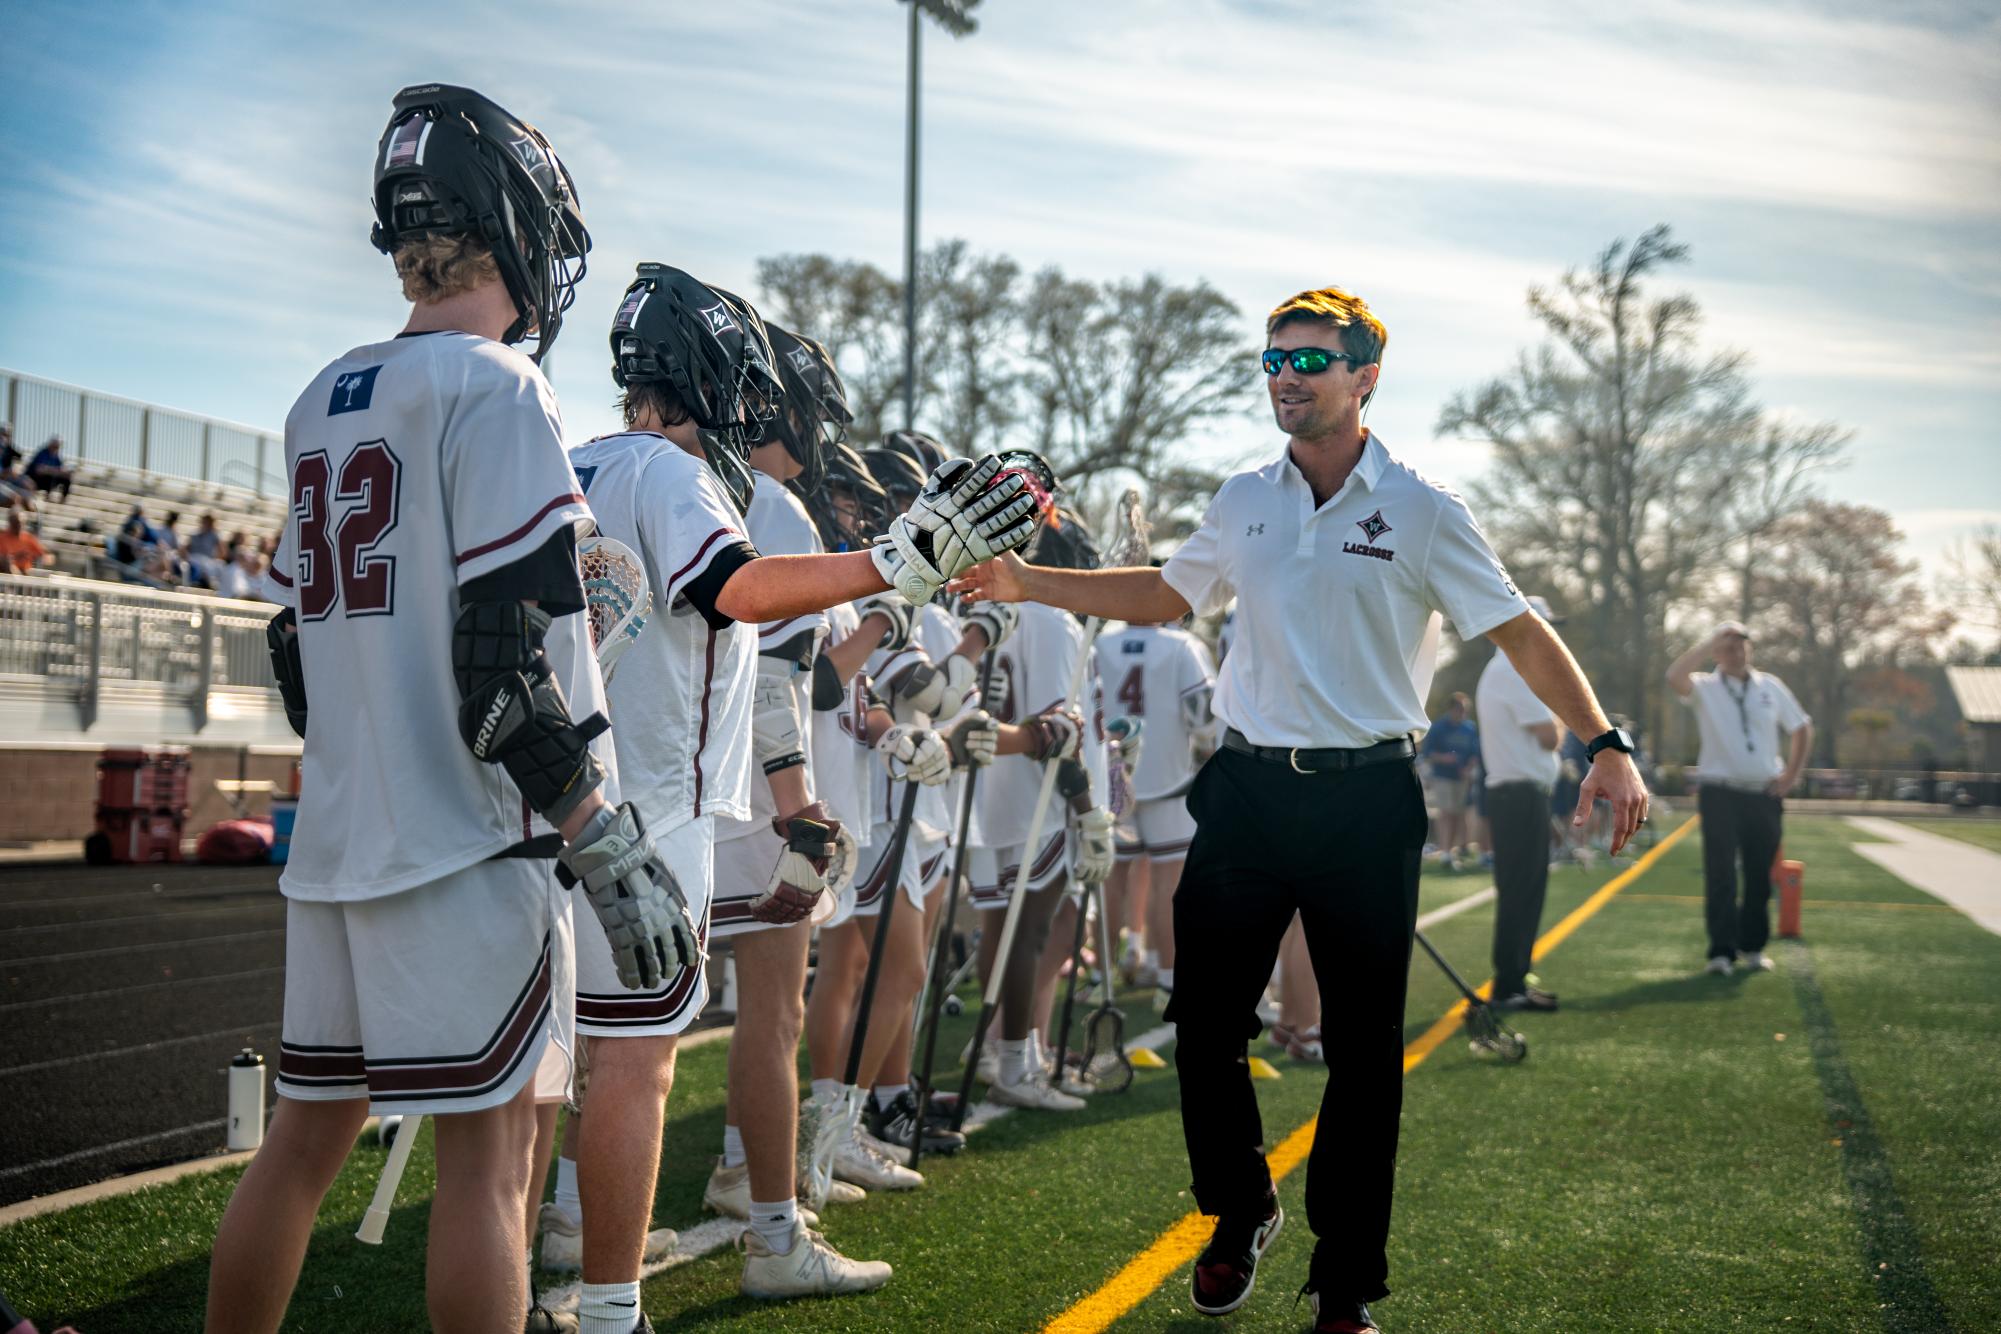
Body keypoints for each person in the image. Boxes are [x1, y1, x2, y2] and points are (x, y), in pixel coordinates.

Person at [953, 285, 1647, 1334]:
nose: (1286, 375)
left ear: (1366, 377)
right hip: (1245, 789)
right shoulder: (1241, 497)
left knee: (1365, 1051)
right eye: (1274, 359)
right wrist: (1026, 581)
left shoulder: (1423, 507)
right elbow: (1167, 594)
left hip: (1368, 797)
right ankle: (1240, 1208)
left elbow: (1518, 631)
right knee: (1203, 1028)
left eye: (1311, 360)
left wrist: (1605, 742)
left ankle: (1345, 1281)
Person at [204, 82, 704, 1334]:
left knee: (299, 1147)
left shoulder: (321, 397)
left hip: (335, 848)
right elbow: (498, 666)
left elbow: (300, 655)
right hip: (469, 846)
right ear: (516, 226)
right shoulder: (499, 388)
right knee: (488, 1167)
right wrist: (602, 831)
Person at [557, 270, 1033, 1319]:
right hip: (682, 803)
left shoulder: (568, 454)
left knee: (563, 1060)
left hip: (563, 801)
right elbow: (773, 654)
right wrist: (800, 804)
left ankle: (562, 1224)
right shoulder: (730, 490)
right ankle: (746, 1239)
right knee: (731, 1028)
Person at [1094, 583, 1218, 1010]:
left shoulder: (1101, 643)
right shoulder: (1183, 646)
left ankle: (1100, 977)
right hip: (1169, 778)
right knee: (1170, 884)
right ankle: (1168, 978)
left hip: (1112, 779)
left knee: (1109, 881)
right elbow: (1204, 718)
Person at [1666, 622, 1812, 974]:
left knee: (1760, 875)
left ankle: (1753, 947)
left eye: (1742, 645)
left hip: (1763, 794)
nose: (1738, 652)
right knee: (1721, 873)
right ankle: (1721, 951)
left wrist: (1791, 775)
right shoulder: (1706, 686)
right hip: (1720, 792)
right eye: (1729, 647)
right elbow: (1674, 676)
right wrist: (1707, 641)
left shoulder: (1770, 686)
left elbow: (1802, 727)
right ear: (1716, 653)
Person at [1476, 595, 1566, 1010]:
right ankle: (1509, 984)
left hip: (1519, 795)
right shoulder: (1514, 672)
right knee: (1520, 892)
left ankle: (1514, 977)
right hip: (1519, 795)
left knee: (1524, 891)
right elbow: (1550, 736)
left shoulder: (1509, 670)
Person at [1419, 692, 1478, 865]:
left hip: (1461, 778)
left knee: (1457, 814)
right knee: (1445, 813)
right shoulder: (1438, 727)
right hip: (1442, 777)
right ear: (1451, 709)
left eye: (1465, 709)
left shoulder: (1470, 728)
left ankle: (1453, 850)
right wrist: (1444, 758)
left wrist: (1468, 768)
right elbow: (1428, 752)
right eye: (1460, 709)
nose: (1462, 713)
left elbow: (1474, 753)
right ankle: (1445, 852)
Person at [27, 436, 71, 501]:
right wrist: (52, 470)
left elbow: (60, 468)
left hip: (49, 479)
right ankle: (47, 497)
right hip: (36, 479)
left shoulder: (56, 456)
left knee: (66, 478)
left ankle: (63, 499)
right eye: (55, 446)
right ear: (50, 445)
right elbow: (39, 469)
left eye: (58, 447)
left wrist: (65, 472)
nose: (57, 448)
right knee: (51, 476)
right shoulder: (42, 453)